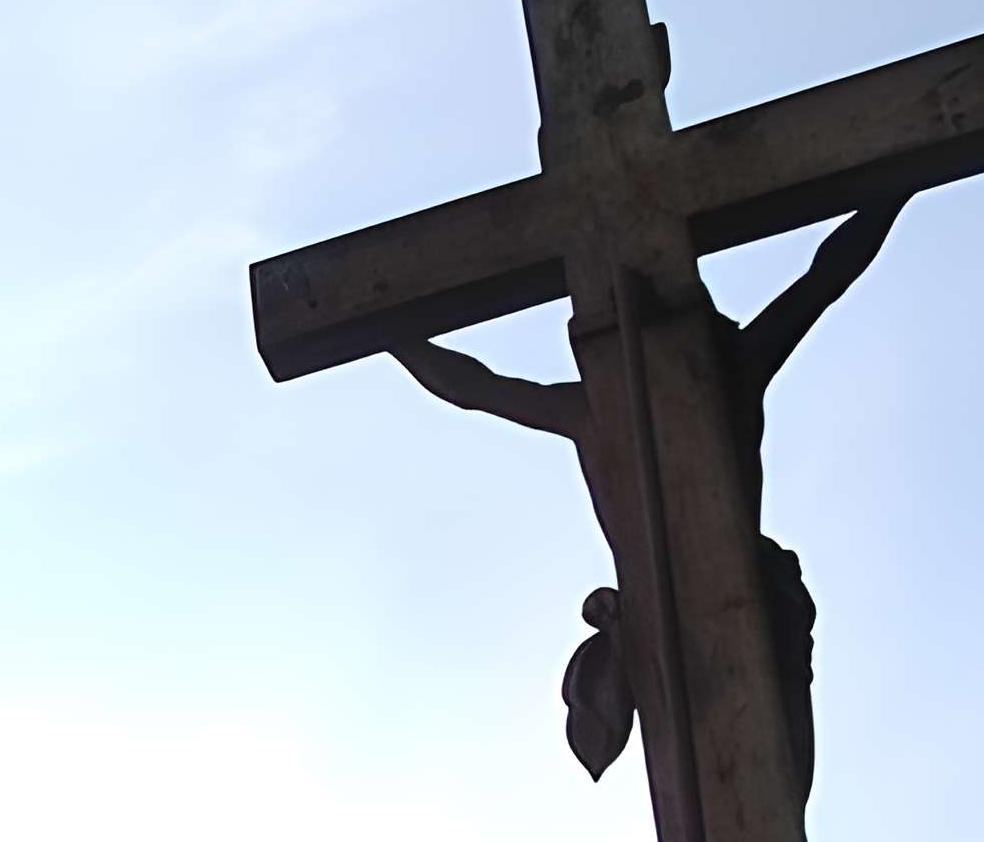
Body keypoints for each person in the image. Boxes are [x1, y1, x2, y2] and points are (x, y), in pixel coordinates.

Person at [388, 197, 906, 803]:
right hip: (668, 623)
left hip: (739, 610)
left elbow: (828, 276)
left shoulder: (710, 374)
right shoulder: (614, 404)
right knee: (731, 791)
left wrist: (894, 187)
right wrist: (390, 334)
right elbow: (472, 387)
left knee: (767, 785)